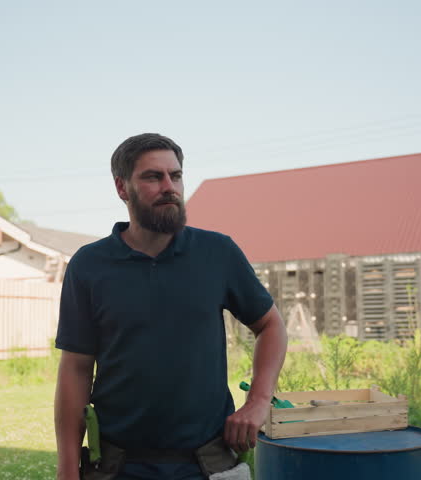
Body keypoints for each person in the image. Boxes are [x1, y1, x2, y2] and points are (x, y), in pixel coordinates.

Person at [54, 133, 287, 480]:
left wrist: (258, 402)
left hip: (208, 463)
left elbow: (271, 326)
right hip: (118, 466)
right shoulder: (89, 266)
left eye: (175, 176)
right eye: (153, 177)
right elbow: (75, 368)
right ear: (122, 188)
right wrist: (67, 469)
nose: (170, 187)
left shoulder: (217, 253)